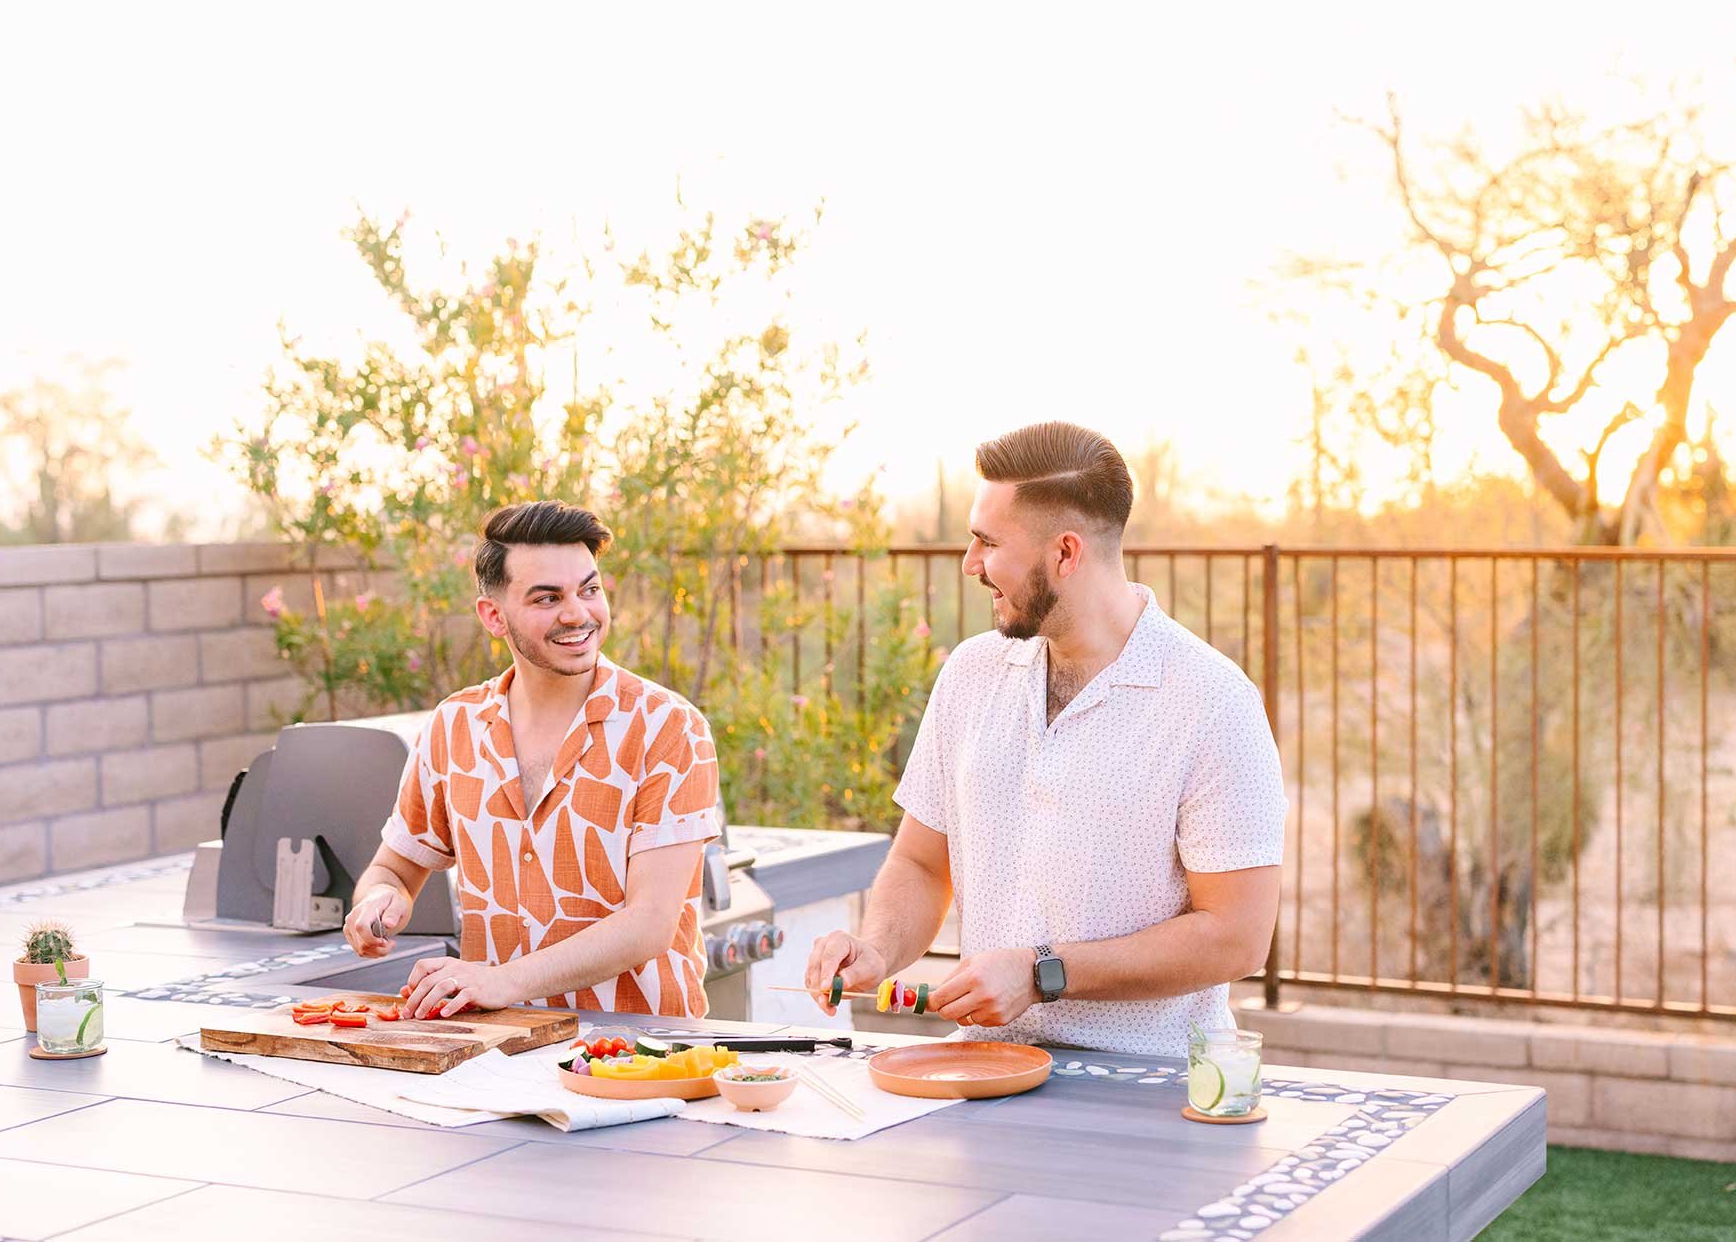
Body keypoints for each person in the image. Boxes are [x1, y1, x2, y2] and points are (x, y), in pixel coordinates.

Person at [805, 422, 1286, 1055]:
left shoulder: (1214, 702)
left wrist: (1042, 975)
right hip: (983, 1070)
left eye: (986, 542)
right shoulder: (971, 674)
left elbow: (1237, 936)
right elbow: (923, 862)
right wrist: (876, 948)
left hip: (1150, 1089)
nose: (969, 564)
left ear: (1065, 553)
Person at [343, 500, 724, 1020]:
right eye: (548, 598)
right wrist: (377, 902)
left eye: (589, 590)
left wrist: (501, 981)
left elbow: (650, 924)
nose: (577, 613)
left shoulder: (667, 727)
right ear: (494, 616)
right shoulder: (454, 726)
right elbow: (392, 868)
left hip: (639, 1058)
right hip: (493, 1052)